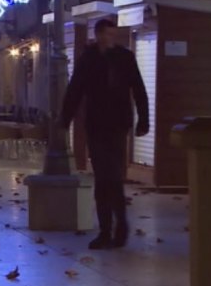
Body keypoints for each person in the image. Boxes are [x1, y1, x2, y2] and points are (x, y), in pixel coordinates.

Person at [60, 19, 149, 250]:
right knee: (103, 177)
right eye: (107, 34)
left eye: (113, 34)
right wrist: (65, 119)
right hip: (97, 124)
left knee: (113, 176)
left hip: (118, 124)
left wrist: (143, 120)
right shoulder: (88, 59)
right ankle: (107, 230)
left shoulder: (124, 57)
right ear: (98, 35)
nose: (111, 38)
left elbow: (138, 88)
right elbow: (75, 89)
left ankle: (119, 226)